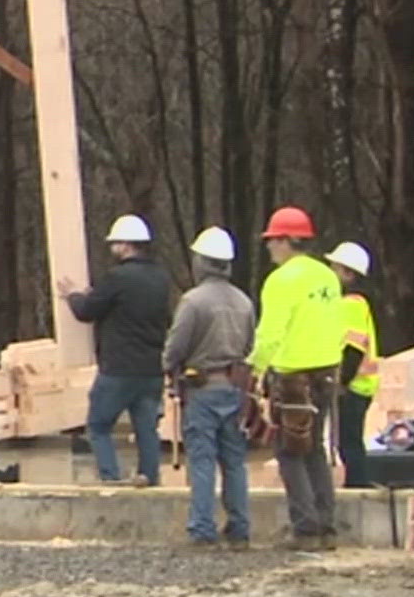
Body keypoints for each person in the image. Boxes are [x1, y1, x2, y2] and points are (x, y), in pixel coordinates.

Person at [250, 205, 346, 551]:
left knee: (291, 451)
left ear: (288, 240)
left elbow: (270, 332)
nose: (269, 247)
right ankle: (327, 527)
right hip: (327, 371)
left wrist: (254, 368)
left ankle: (306, 529)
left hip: (293, 375)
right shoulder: (327, 276)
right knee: (315, 449)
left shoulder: (281, 280)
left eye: (273, 240)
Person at [162, 227, 255, 549]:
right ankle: (239, 530)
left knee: (202, 460)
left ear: (202, 262)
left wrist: (169, 368)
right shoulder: (244, 302)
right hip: (235, 388)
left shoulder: (193, 302)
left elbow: (175, 348)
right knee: (234, 462)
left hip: (202, 389)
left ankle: (203, 530)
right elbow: (250, 346)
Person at [66, 214, 172, 486]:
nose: (112, 248)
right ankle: (149, 476)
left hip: (119, 369)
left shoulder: (117, 278)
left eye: (114, 243)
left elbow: (86, 312)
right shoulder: (160, 278)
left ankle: (111, 478)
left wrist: (72, 295)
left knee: (98, 426)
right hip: (151, 369)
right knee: (146, 429)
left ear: (125, 246)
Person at [326, 241, 379, 489]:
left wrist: (341, 382)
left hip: (355, 385)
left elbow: (354, 349)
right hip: (360, 385)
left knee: (349, 443)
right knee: (348, 442)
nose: (330, 272)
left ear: (348, 273)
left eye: (334, 267)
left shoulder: (350, 305)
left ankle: (358, 487)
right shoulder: (355, 303)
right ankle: (356, 484)